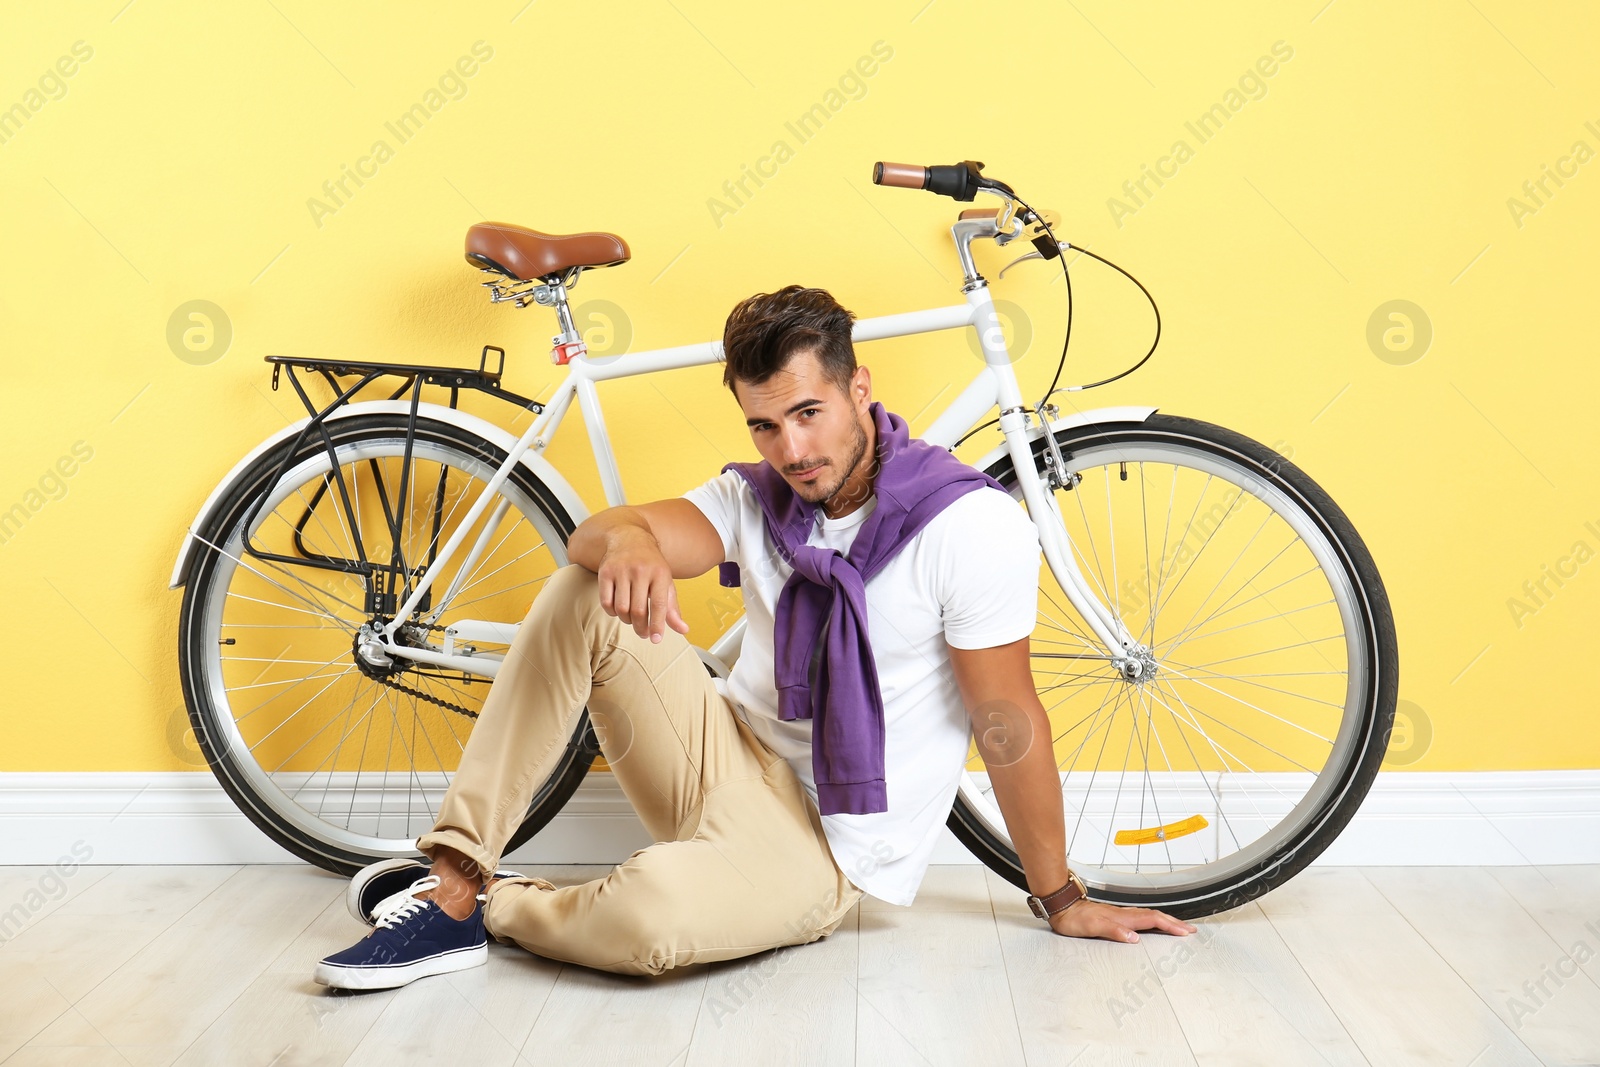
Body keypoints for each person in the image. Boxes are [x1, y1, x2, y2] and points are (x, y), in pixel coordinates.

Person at [314, 285, 1196, 990]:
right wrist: (624, 540)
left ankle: (499, 905)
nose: (792, 448)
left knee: (651, 923)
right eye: (765, 425)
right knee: (583, 584)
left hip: (823, 845)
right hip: (720, 758)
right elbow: (612, 531)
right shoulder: (754, 499)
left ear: (860, 390)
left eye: (810, 413)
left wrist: (1062, 895)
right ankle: (454, 881)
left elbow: (1004, 714)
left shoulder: (967, 524)